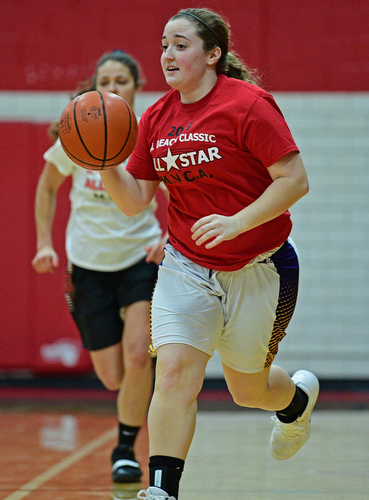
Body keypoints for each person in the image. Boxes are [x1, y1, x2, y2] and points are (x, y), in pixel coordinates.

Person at [99, 8, 320, 500]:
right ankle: (161, 491)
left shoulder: (248, 104)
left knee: (248, 391)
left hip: (260, 267)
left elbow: (295, 181)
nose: (168, 55)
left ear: (213, 53)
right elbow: (136, 199)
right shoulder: (156, 117)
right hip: (186, 267)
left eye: (180, 45)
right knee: (174, 373)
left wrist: (239, 221)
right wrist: (105, 163)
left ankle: (296, 401)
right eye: (163, 45)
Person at [32, 50, 167, 484]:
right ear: (94, 86)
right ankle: (133, 398)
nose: (112, 87)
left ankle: (125, 448)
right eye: (104, 79)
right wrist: (42, 243)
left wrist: (169, 238)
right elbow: (46, 187)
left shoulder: (148, 135)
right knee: (112, 376)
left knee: (137, 356)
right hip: (88, 266)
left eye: (121, 80)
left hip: (139, 260)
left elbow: (182, 193)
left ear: (136, 87)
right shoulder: (75, 137)